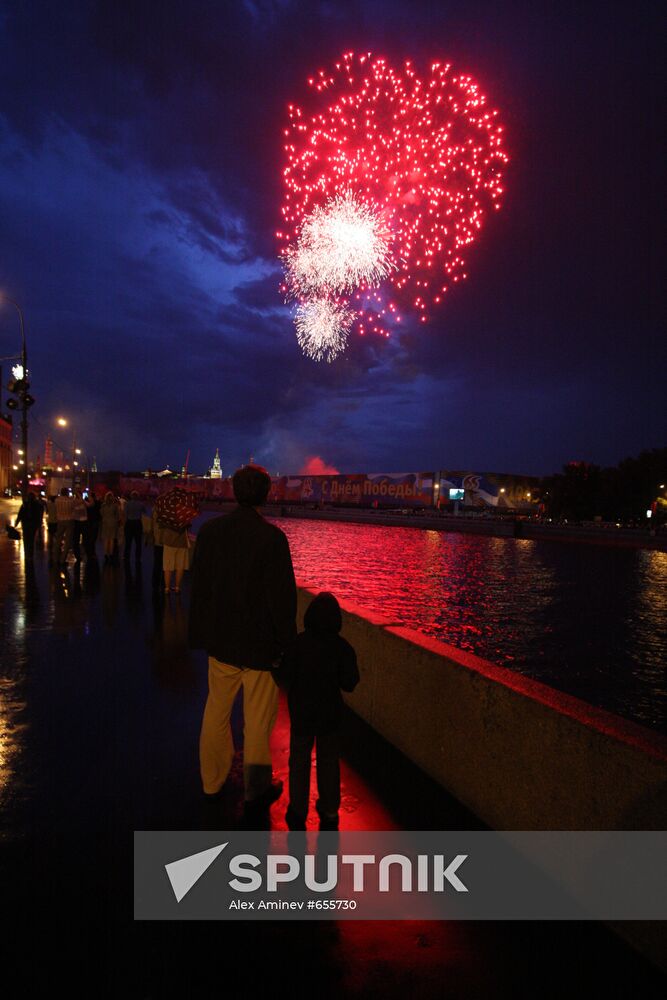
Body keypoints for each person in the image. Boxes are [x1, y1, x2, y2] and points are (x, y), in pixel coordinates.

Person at [189, 464, 296, 814]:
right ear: (266, 495)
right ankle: (255, 790)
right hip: (260, 648)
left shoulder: (210, 531)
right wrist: (286, 645)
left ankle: (211, 782)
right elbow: (282, 600)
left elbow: (200, 588)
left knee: (216, 712)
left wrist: (200, 633)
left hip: (220, 642)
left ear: (234, 492)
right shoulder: (272, 538)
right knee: (258, 722)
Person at [274, 592, 359, 831]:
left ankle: (298, 810)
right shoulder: (342, 647)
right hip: (330, 715)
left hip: (302, 713)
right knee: (329, 761)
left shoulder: (298, 644)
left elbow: (284, 676)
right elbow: (350, 682)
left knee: (299, 761)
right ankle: (330, 809)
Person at [161, 519, 189, 594]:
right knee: (180, 566)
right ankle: (177, 587)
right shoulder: (184, 514)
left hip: (169, 542)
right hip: (182, 542)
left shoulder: (167, 515)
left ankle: (167, 588)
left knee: (168, 566)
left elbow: (162, 525)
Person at [14, 491, 44, 559]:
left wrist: (16, 523)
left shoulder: (25, 505)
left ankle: (27, 553)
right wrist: (39, 525)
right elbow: (39, 515)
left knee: (26, 539)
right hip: (33, 525)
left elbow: (20, 514)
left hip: (26, 524)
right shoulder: (37, 505)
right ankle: (30, 554)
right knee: (31, 539)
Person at [54, 487, 76, 565]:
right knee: (67, 541)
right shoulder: (71, 501)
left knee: (58, 540)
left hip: (60, 520)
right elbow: (74, 508)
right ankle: (63, 559)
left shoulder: (57, 500)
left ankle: (56, 558)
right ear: (67, 493)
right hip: (69, 520)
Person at [123, 490, 146, 563]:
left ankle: (126, 556)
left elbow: (125, 514)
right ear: (138, 497)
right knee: (138, 542)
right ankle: (138, 557)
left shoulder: (127, 504)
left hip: (129, 523)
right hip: (137, 523)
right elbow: (144, 512)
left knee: (128, 541)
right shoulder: (141, 504)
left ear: (131, 496)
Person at [100, 492, 120, 563]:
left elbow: (101, 514)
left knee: (106, 540)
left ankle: (106, 554)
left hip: (105, 523)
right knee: (111, 540)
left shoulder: (103, 505)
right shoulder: (115, 506)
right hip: (113, 523)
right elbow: (117, 516)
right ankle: (111, 554)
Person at [71, 489, 88, 561]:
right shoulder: (74, 501)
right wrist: (80, 497)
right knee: (76, 539)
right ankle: (77, 554)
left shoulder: (83, 502)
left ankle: (83, 552)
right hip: (77, 521)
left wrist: (83, 498)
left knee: (85, 538)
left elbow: (89, 504)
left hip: (83, 521)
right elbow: (75, 504)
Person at [45, 495, 58, 564]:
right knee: (56, 533)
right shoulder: (56, 505)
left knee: (51, 533)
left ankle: (51, 544)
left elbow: (46, 511)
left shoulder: (49, 504)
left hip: (50, 521)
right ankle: (57, 544)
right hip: (56, 521)